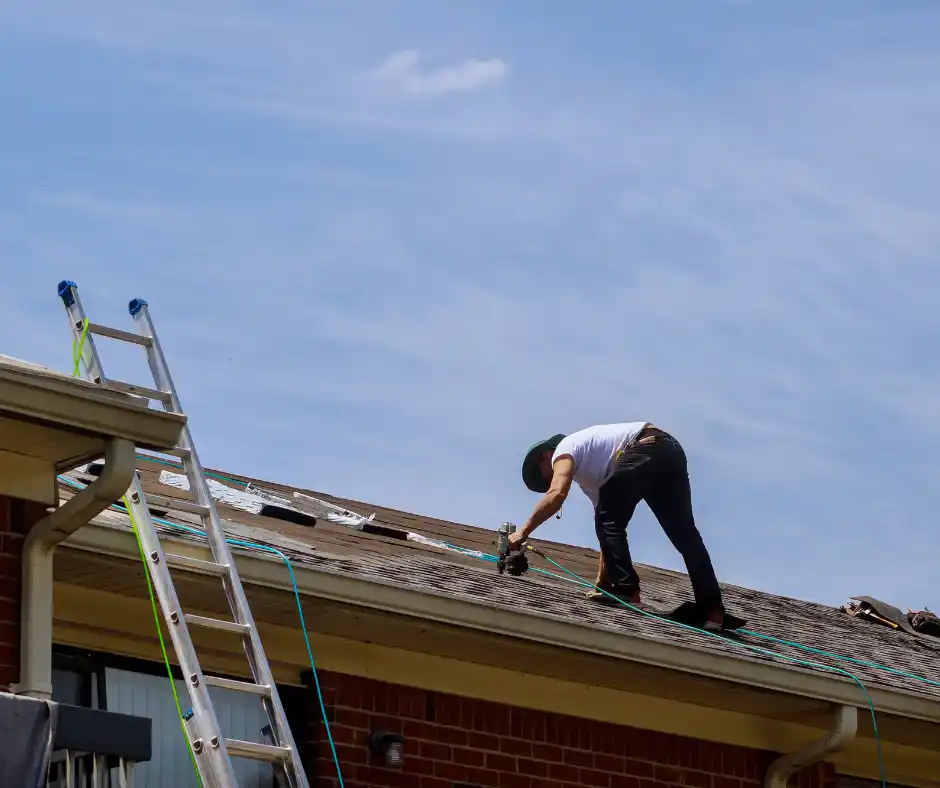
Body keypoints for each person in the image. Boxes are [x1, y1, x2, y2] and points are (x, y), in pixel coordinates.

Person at [511, 421, 727, 630]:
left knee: (609, 518)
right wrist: (601, 583)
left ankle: (627, 589)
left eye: (545, 475)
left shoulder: (563, 449)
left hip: (646, 447)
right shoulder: (594, 476)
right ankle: (712, 611)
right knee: (685, 535)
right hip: (670, 452)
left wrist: (522, 533)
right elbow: (607, 530)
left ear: (547, 455)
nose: (551, 480)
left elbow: (557, 494)